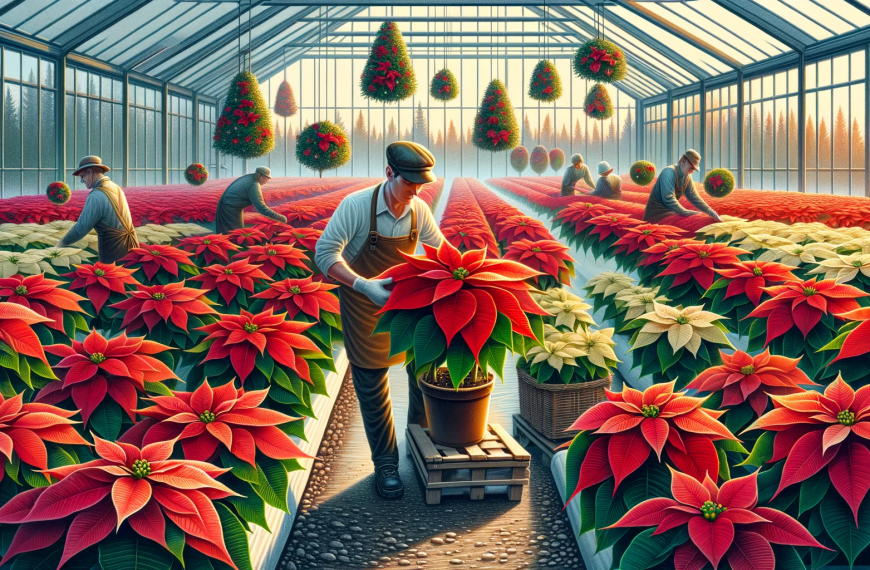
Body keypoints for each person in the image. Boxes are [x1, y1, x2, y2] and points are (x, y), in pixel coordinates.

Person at [315, 141, 445, 499]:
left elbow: (440, 249)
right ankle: (386, 464)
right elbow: (325, 254)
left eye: (422, 185)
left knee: (422, 372)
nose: (417, 191)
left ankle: (419, 447)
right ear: (389, 173)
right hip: (364, 305)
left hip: (404, 304)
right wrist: (363, 285)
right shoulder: (356, 207)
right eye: (410, 183)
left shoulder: (419, 209)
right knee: (372, 385)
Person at [57, 156, 139, 264]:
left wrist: (61, 243)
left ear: (90, 172)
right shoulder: (115, 187)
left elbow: (81, 228)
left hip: (113, 252)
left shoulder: (96, 195)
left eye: (82, 176)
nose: (82, 181)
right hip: (131, 248)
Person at [642, 149, 721, 224]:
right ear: (683, 161)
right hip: (656, 216)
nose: (692, 171)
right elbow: (668, 198)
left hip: (672, 213)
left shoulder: (686, 176)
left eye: (694, 169)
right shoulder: (668, 172)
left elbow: (694, 197)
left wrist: (710, 211)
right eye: (691, 168)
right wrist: (686, 212)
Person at [214, 166, 287, 233]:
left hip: (228, 207)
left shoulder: (250, 178)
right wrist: (281, 218)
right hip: (229, 210)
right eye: (267, 177)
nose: (268, 180)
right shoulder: (253, 184)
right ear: (260, 175)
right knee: (234, 236)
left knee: (234, 234)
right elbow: (261, 208)